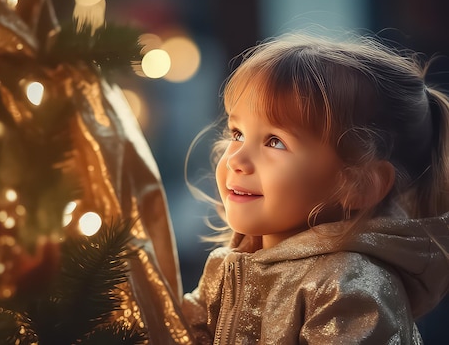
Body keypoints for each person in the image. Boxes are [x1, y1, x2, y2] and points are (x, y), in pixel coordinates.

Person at [181, 32, 449, 344]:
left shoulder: (347, 288)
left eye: (275, 141)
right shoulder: (225, 268)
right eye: (237, 133)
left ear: (358, 184)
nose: (237, 159)